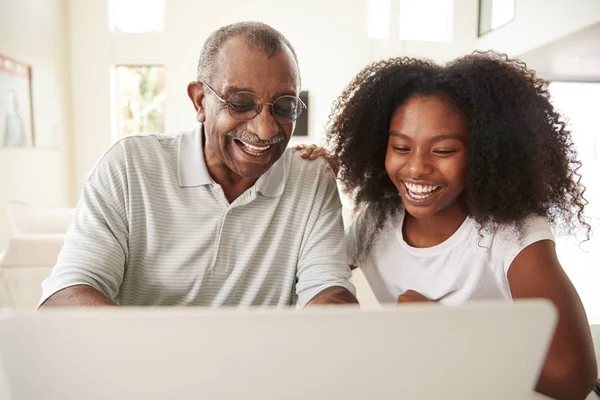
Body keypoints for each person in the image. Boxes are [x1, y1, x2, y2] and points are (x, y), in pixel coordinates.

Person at [299, 52, 597, 399]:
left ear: (485, 155)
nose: (416, 168)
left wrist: (446, 327)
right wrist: (305, 183)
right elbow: (308, 268)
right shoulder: (376, 221)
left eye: (442, 151)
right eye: (400, 147)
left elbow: (574, 377)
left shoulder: (512, 236)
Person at [39, 22, 356, 308]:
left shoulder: (311, 178)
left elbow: (328, 289)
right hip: (146, 366)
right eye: (241, 103)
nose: (266, 130)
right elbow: (66, 293)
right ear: (200, 101)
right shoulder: (130, 166)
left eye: (284, 106)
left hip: (262, 370)